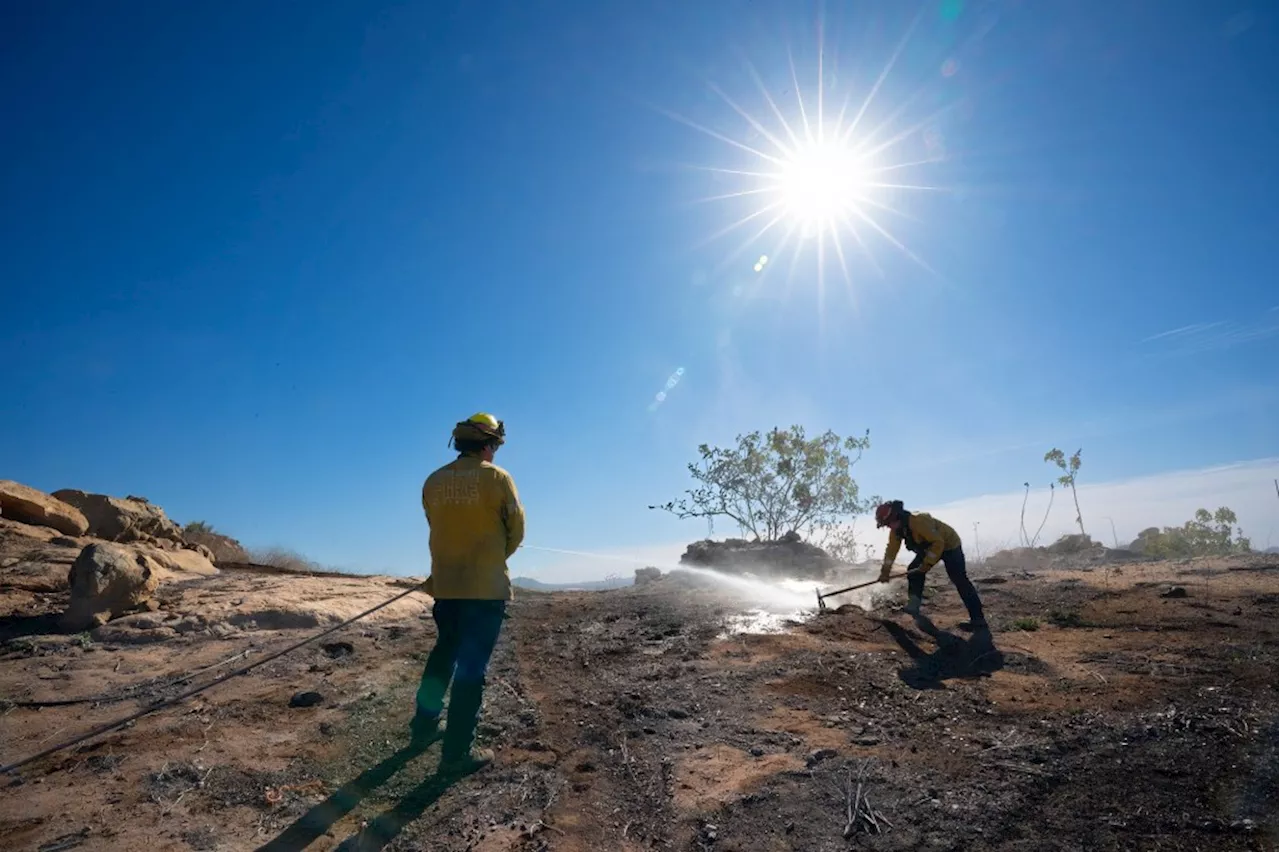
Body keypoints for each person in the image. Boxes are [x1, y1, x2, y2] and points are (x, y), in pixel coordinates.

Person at [410, 413, 526, 775]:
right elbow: (516, 532)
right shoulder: (498, 478)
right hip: (485, 590)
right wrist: (491, 560)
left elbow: (436, 527)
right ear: (489, 445)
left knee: (443, 654)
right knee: (471, 668)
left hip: (445, 588)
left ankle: (423, 726)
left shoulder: (433, 481)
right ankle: (457, 753)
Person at [875, 500, 987, 631]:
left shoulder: (918, 521)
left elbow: (938, 542)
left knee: (959, 579)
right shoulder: (896, 531)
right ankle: (913, 605)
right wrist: (885, 571)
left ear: (896, 517)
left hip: (949, 546)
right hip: (929, 548)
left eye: (888, 523)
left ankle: (978, 619)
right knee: (913, 571)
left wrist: (927, 564)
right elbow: (891, 551)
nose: (888, 527)